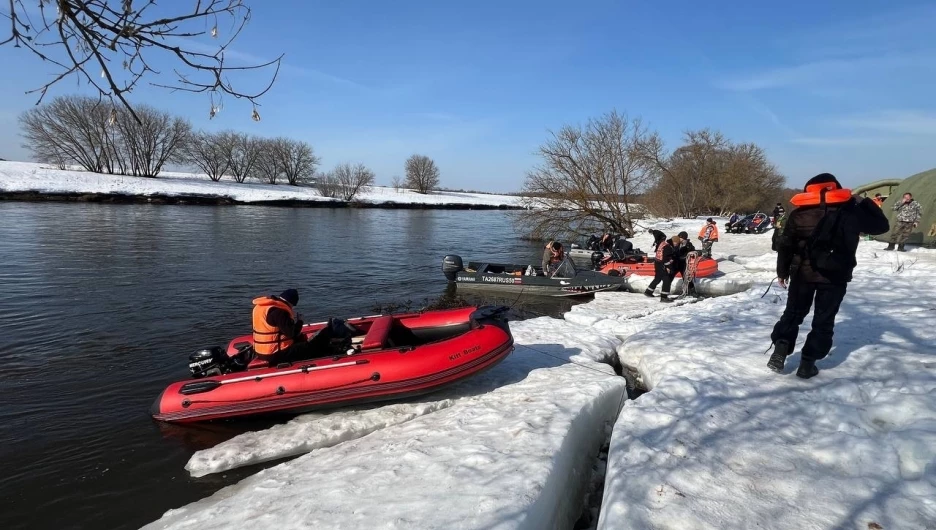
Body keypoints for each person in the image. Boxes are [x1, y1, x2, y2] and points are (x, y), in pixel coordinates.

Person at [768, 173, 889, 379]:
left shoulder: (799, 214)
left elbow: (785, 246)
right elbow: (881, 226)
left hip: (802, 274)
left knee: (793, 314)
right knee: (824, 319)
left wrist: (782, 272)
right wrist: (863, 201)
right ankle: (807, 363)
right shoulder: (851, 212)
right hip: (835, 275)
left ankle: (781, 346)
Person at [252, 288, 316, 365]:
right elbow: (292, 333)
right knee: (309, 347)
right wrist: (300, 322)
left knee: (300, 339)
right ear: (290, 303)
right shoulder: (280, 312)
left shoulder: (262, 307)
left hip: (259, 351)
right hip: (274, 354)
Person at [644, 230, 676, 303]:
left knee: (658, 278)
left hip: (657, 263)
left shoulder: (661, 244)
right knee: (666, 280)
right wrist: (669, 267)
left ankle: (648, 291)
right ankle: (664, 297)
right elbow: (665, 258)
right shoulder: (668, 247)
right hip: (663, 265)